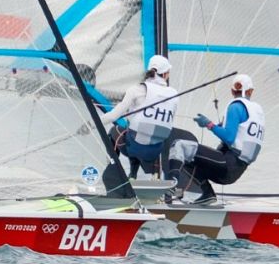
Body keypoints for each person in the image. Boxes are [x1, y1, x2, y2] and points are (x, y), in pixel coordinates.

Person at [172, 73, 265, 203]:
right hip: (236, 170)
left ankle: (171, 187)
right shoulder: (258, 111)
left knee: (180, 146)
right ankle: (208, 194)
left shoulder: (236, 107)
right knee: (189, 158)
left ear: (232, 90)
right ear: (251, 91)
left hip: (227, 164)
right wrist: (216, 126)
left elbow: (229, 138)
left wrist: (209, 124)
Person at [99, 54, 179, 179]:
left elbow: (112, 116)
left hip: (134, 147)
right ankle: (154, 175)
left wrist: (90, 124)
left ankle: (115, 173)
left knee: (116, 132)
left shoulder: (136, 89)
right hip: (155, 151)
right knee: (150, 137)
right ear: (164, 74)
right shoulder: (174, 94)